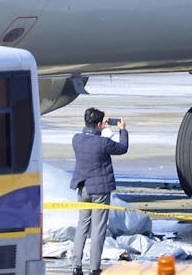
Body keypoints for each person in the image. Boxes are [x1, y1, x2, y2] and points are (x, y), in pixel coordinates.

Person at [70, 108, 129, 275]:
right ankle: (94, 268)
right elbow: (122, 147)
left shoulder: (76, 140)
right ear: (98, 124)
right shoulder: (103, 143)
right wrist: (122, 129)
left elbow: (90, 137)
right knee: (98, 229)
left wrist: (99, 129)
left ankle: (76, 265)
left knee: (82, 226)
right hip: (100, 190)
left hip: (82, 187)